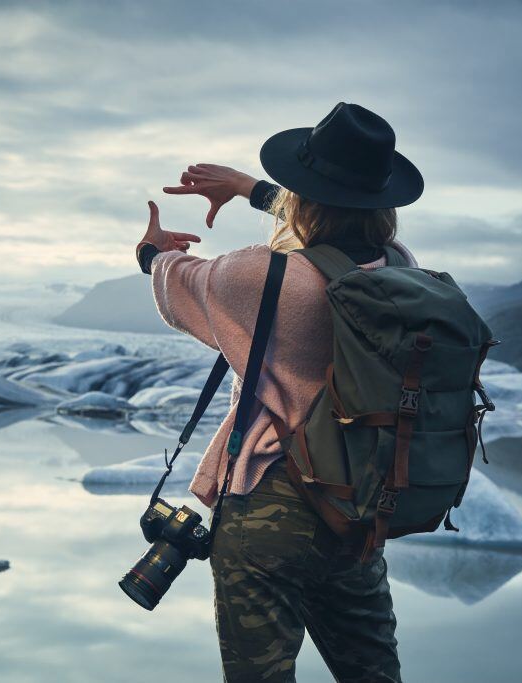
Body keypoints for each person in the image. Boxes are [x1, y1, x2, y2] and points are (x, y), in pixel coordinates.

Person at [134, 103, 425, 682]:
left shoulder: (258, 277)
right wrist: (248, 189)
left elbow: (175, 283)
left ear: (305, 194)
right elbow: (335, 238)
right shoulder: (399, 269)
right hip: (356, 512)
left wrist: (152, 250)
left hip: (271, 505)